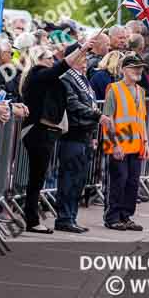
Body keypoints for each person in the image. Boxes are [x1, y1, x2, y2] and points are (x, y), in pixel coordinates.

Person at [20, 39, 94, 234]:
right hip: (38, 132)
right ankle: (32, 220)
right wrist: (82, 49)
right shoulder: (36, 74)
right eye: (49, 58)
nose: (53, 60)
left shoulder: (48, 78)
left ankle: (32, 218)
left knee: (38, 178)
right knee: (36, 179)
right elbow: (61, 67)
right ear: (39, 59)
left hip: (48, 133)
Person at [56, 44, 106, 233]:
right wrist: (97, 116)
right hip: (73, 134)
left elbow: (90, 102)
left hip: (85, 134)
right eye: (83, 56)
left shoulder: (84, 79)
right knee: (69, 177)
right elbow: (73, 104)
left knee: (79, 179)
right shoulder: (66, 78)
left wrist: (93, 134)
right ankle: (64, 217)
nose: (86, 60)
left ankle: (71, 216)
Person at [102, 54, 149, 231]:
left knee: (132, 183)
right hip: (119, 146)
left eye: (140, 67)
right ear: (124, 69)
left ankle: (125, 216)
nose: (138, 70)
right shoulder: (114, 89)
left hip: (136, 146)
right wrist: (115, 144)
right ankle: (112, 217)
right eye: (134, 67)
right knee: (118, 181)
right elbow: (107, 118)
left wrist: (146, 143)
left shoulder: (141, 91)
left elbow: (141, 120)